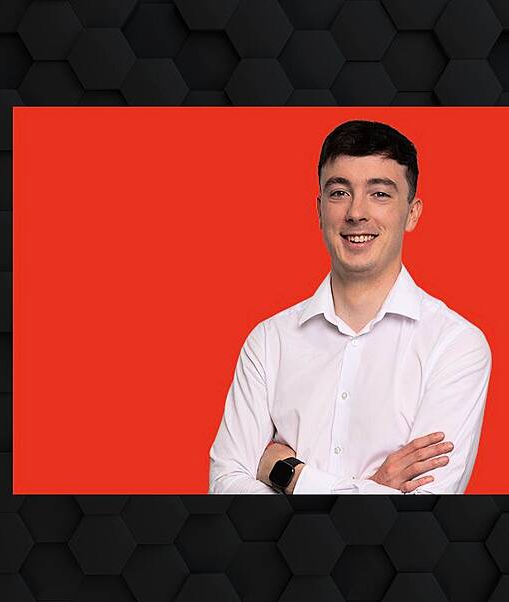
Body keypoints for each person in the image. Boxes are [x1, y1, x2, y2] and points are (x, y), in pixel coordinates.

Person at [208, 120, 492, 494]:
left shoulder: (456, 345)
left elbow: (426, 506)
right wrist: (372, 488)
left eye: (380, 194)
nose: (357, 213)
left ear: (412, 214)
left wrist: (288, 474)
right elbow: (226, 486)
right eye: (339, 192)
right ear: (319, 209)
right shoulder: (268, 341)